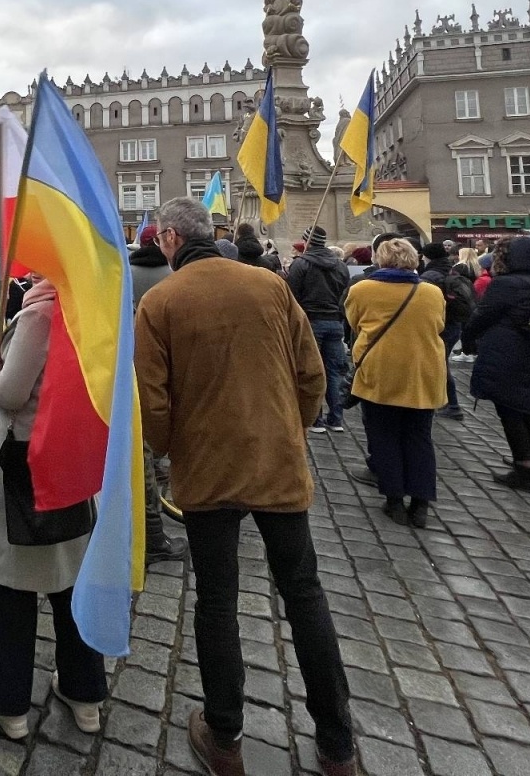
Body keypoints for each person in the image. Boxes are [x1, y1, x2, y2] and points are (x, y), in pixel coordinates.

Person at [135, 198, 356, 776]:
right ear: (211, 233)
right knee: (304, 595)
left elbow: (152, 404)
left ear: (167, 241)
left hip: (207, 469)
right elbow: (312, 374)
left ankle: (225, 735)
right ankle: (337, 747)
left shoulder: (161, 302)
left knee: (216, 603)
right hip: (276, 462)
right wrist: (290, 427)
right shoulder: (271, 286)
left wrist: (167, 448)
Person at [0, 275, 107, 741]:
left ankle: (10, 706)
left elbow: (11, 394)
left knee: (14, 587)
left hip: (29, 462)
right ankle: (85, 693)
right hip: (73, 456)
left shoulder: (39, 314)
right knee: (71, 582)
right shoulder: (92, 307)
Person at [346, 239, 447, 528]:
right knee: (419, 437)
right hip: (423, 370)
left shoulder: (362, 289)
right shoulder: (431, 292)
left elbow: (354, 323)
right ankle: (421, 504)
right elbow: (438, 324)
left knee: (384, 437)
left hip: (380, 370)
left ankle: (394, 501)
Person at [464, 237, 530, 493]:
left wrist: (468, 338)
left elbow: (482, 316)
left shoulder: (505, 284)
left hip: (505, 353)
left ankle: (524, 469)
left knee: (510, 413)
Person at [128, 224, 187, 563]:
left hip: (132, 368)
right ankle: (152, 535)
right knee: (150, 450)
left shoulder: (126, 272)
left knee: (142, 445)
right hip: (170, 366)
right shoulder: (175, 275)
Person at [287, 226, 351, 434]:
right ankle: (336, 418)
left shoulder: (301, 264)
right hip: (334, 322)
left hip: (310, 321)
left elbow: (292, 295)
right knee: (334, 372)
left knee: (311, 370)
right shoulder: (340, 265)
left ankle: (315, 419)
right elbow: (345, 293)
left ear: (307, 241)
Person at [418, 242, 475, 421]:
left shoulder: (430, 275)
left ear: (427, 256)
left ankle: (452, 405)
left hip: (440, 325)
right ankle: (446, 403)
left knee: (439, 365)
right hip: (454, 324)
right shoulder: (452, 270)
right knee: (440, 363)